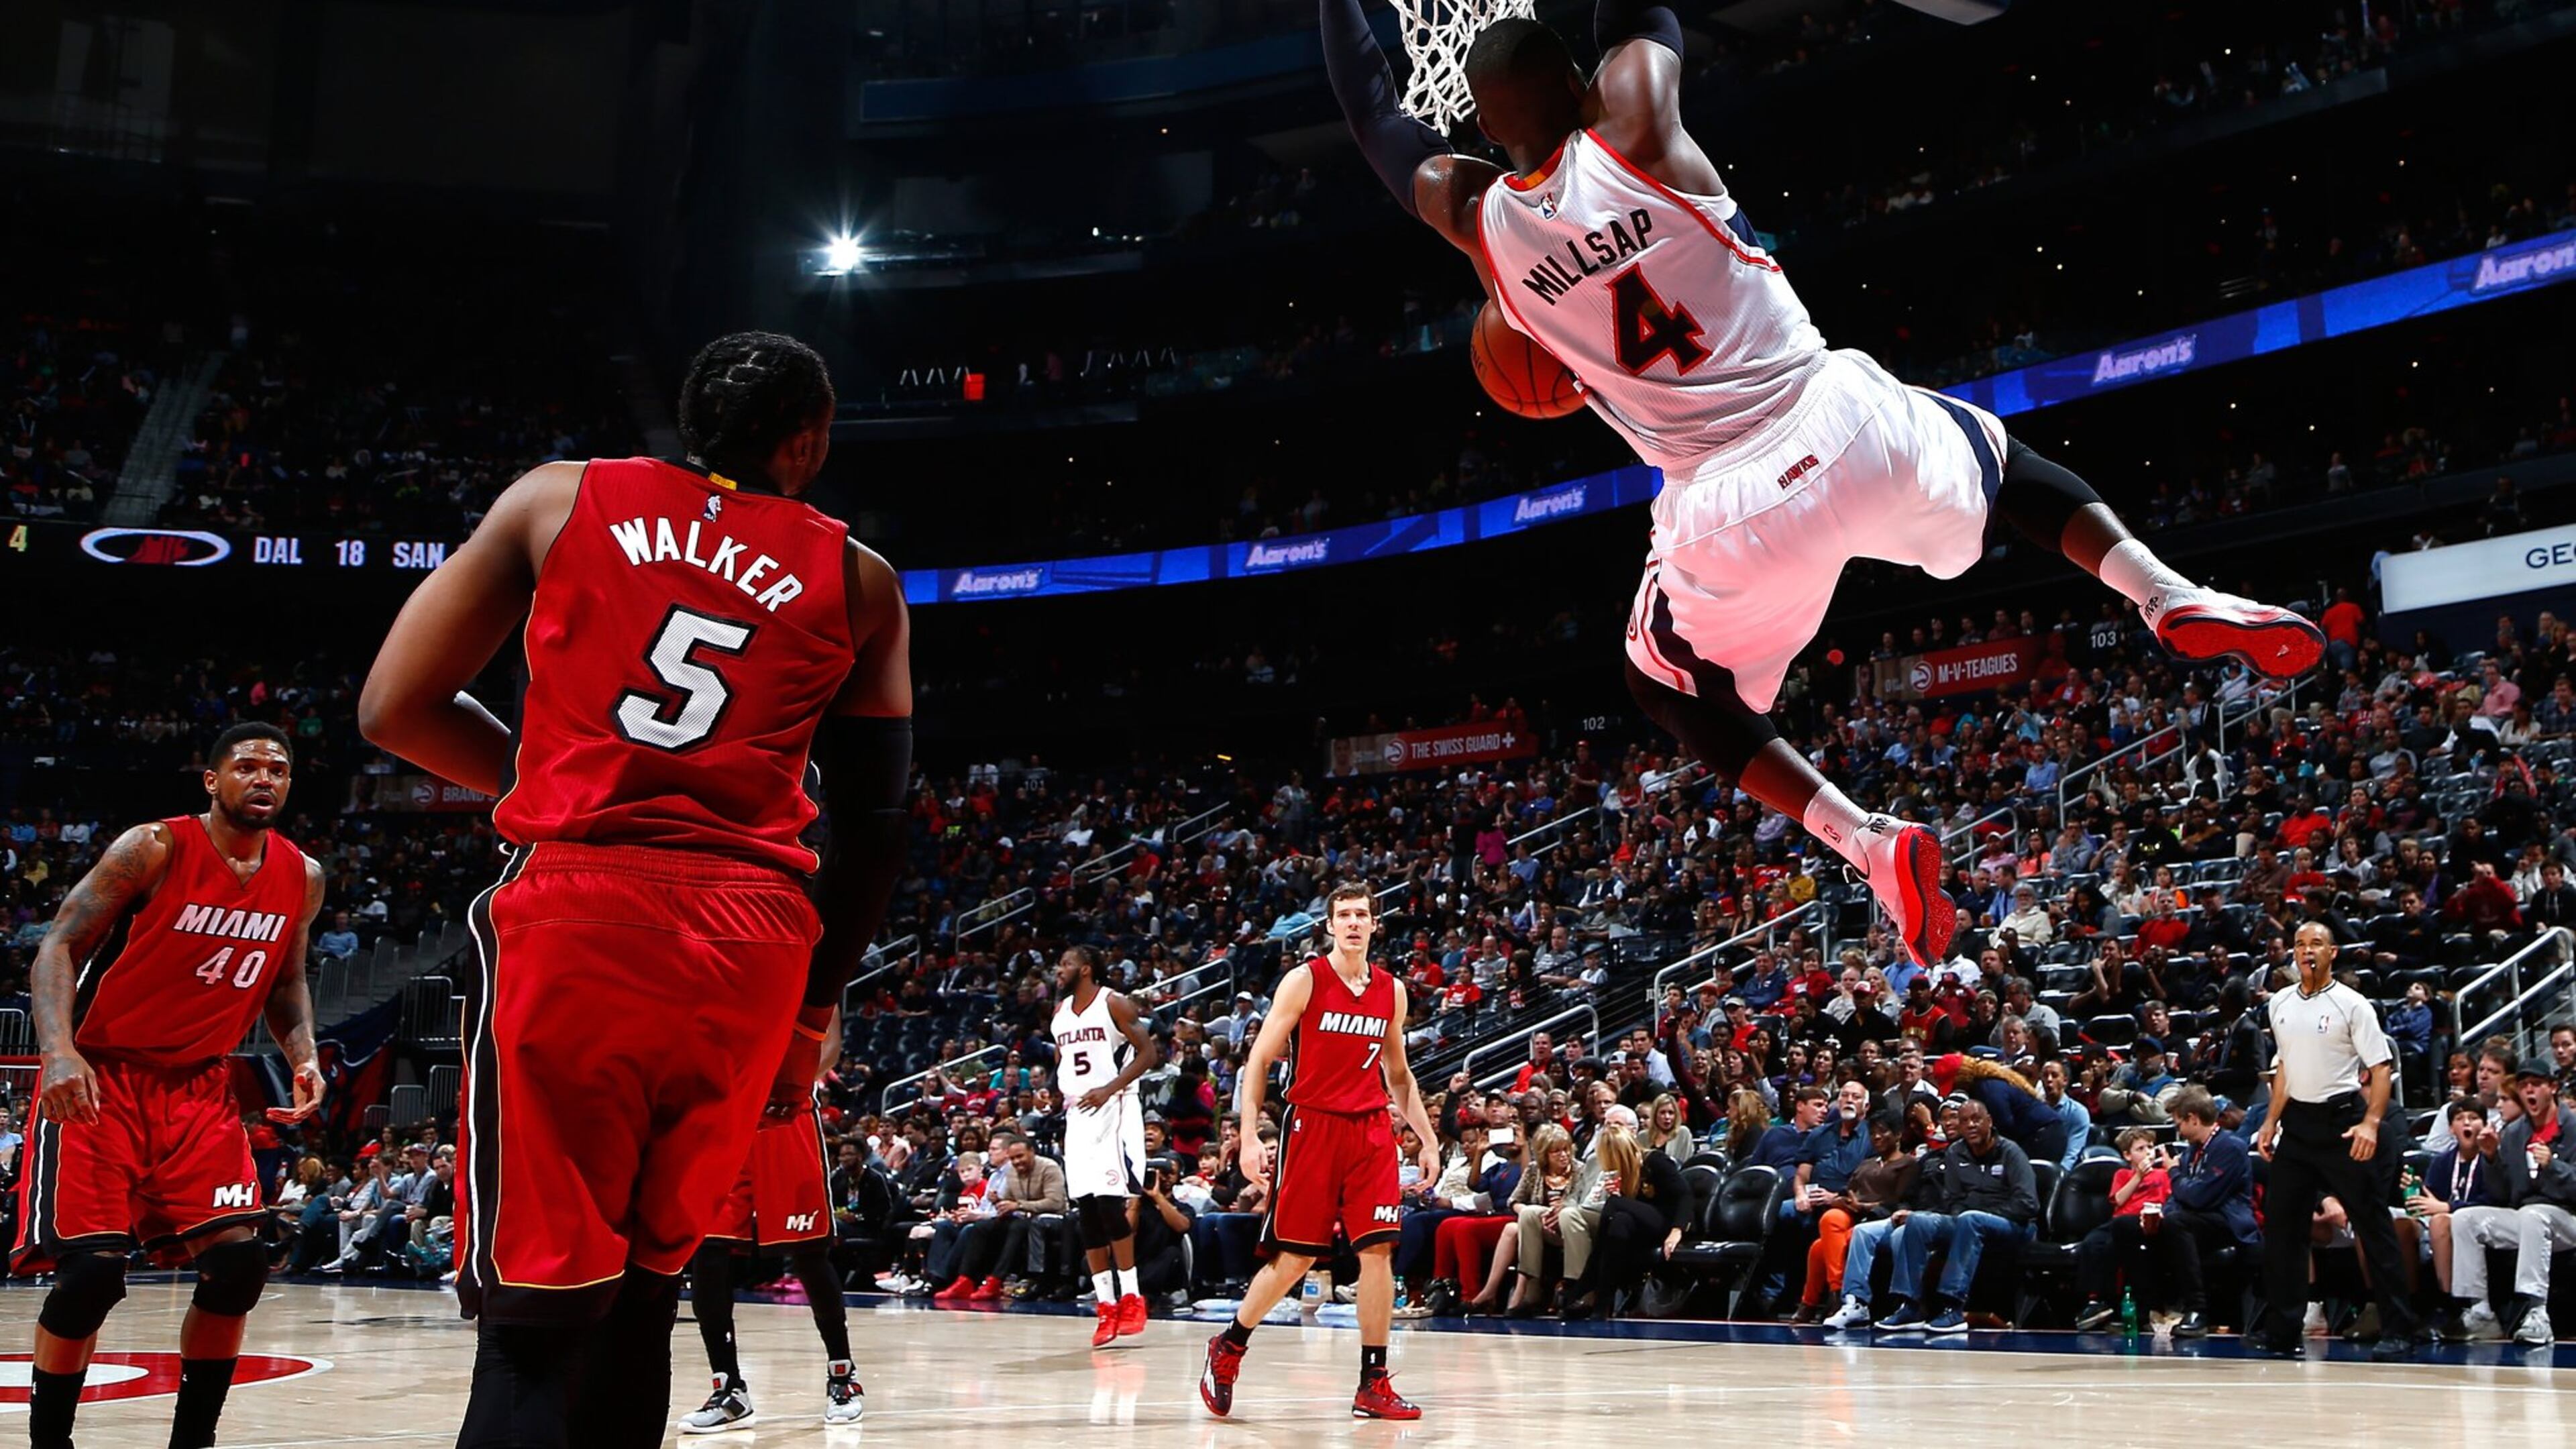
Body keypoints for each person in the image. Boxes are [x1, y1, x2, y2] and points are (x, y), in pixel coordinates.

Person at [1316, 0, 2324, 972]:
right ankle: (2163, 591)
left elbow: (1374, 117)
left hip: (1722, 509)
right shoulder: (1634, 121)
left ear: (1486, 128)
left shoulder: (1486, 228)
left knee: (1661, 682)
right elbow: (1634, 18)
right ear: (1580, 84)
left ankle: (1865, 840)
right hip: (1836, 418)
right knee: (2004, 465)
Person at [359, 333, 914, 1448]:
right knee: (645, 1305)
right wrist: (814, 1011)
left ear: (688, 422)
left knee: (532, 1327)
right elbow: (877, 826)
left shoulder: (558, 499)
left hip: (579, 907)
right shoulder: (861, 578)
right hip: (752, 940)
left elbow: (394, 707)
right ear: (806, 442)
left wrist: (556, 768)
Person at [14, 722, 328, 1449]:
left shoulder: (302, 876)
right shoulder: (153, 847)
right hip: (102, 1079)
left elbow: (286, 982)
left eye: (278, 769)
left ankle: (194, 1442)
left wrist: (304, 1054)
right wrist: (58, 1051)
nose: (264, 778)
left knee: (240, 1265)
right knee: (91, 1277)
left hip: (200, 1089)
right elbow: (58, 944)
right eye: (246, 766)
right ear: (212, 782)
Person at [1199, 883, 1440, 1421]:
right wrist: (1250, 1136)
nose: (1353, 923)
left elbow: (1398, 1074)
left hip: (1372, 1130)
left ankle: (1372, 1382)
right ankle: (1229, 1345)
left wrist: (1426, 1138)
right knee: (1297, 1258)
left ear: (1375, 925)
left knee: (1378, 1250)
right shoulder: (1304, 980)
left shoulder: (1392, 991)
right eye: (1343, 915)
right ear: (1330, 925)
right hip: (1312, 1126)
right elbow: (1258, 1061)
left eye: (1362, 915)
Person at [678, 1010, 863, 1433]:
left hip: (788, 1112)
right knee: (709, 1251)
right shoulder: (727, 970)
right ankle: (729, 1389)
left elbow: (828, 1049)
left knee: (808, 1256)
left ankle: (843, 1377)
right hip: (730, 1120)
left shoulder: (810, 965)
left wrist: (766, 1080)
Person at [2251, 922, 2420, 1359]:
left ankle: (2399, 1327)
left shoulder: (2353, 1005)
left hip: (2344, 1121)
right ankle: (2283, 1332)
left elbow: (2381, 1068)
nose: (2308, 951)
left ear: (2333, 952)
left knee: (2373, 1225)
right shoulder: (2281, 1004)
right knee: (2284, 1230)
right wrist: (2271, 1121)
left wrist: (2371, 1123)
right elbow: (2285, 1066)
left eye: (2316, 944)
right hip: (2299, 1125)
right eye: (2301, 945)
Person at [1049, 944, 1160, 1345]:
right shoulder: (1060, 1013)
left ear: (1086, 968)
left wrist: (1109, 1087)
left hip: (1115, 1106)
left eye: (1066, 962)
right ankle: (1105, 1305)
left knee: (1112, 1205)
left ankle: (1132, 1297)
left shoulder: (1113, 1002)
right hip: (1078, 1113)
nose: (1059, 968)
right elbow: (1067, 1062)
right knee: (1088, 1213)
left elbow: (1149, 1054)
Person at [1872, 1099, 2039, 1332]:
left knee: (1971, 1220)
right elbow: (1952, 1200)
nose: (1970, 1125)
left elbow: (2028, 1205)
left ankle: (1953, 1307)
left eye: (1976, 1120)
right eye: (1964, 1121)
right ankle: (1910, 1306)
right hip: (1967, 1223)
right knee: (1918, 1221)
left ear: (1989, 1122)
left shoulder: (2011, 1152)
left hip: (2015, 1226)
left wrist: (1981, 1215)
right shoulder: (1955, 1152)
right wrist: (1963, 1216)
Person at [2452, 1059, 2576, 1346]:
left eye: (2536, 1085)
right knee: (2465, 1219)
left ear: (2553, 1088)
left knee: (2534, 1215)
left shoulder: (2572, 1128)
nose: (2529, 1091)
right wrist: (2492, 1158)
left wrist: (2554, 1168)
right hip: (2528, 1217)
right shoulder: (2515, 1132)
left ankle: (2537, 1314)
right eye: (2523, 1086)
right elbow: (2501, 1195)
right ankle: (2481, 1312)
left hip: (2569, 1218)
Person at [2072, 1130, 2190, 1332]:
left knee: (2113, 1247)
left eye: (2150, 1148)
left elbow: (2171, 1200)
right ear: (2128, 1156)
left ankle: (2113, 1302)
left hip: (2145, 1220)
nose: (2148, 1153)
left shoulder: (2163, 1175)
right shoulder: (2123, 1174)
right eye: (2140, 1149)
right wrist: (2137, 1176)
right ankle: (2094, 1301)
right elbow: (2118, 1200)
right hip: (2119, 1220)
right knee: (2092, 1243)